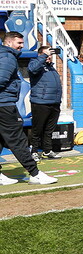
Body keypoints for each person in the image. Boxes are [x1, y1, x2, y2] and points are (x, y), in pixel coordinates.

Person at [0, 32, 56, 185]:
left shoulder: (4, 55)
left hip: (3, 104)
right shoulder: (8, 57)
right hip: (4, 105)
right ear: (8, 42)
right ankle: (35, 173)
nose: (22, 46)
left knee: (1, 140)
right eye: (19, 43)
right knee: (18, 140)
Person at [27, 45, 63, 161]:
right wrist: (43, 56)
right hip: (40, 102)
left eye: (50, 55)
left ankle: (47, 150)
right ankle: (34, 151)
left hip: (54, 103)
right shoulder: (35, 64)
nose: (49, 57)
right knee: (37, 129)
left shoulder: (51, 68)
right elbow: (32, 69)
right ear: (40, 55)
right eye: (46, 54)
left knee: (49, 130)